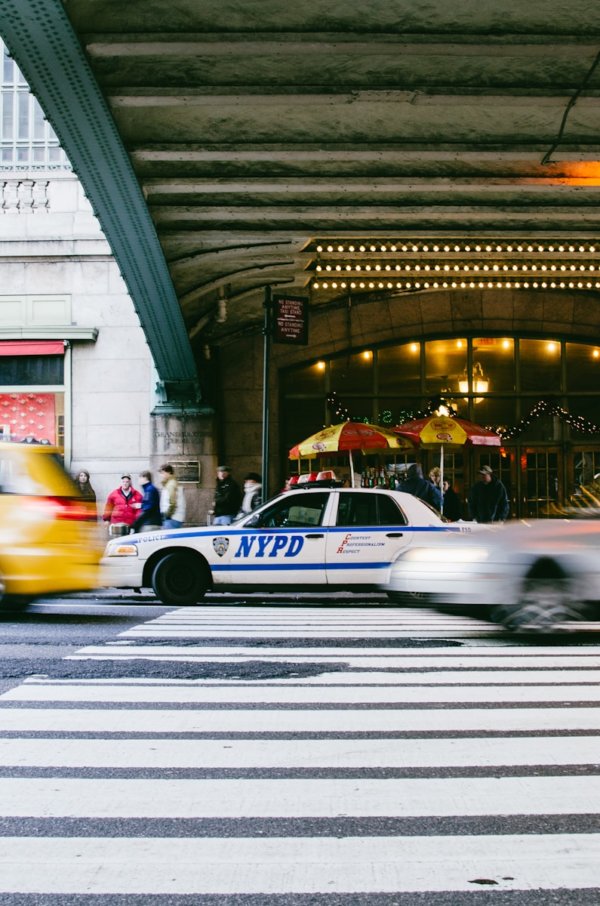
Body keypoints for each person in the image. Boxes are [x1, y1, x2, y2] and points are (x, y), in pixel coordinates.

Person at [159, 463, 186, 528]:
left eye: (162, 473)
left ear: (168, 472)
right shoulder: (171, 483)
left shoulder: (171, 484)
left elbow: (173, 502)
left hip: (172, 518)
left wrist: (167, 515)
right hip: (175, 518)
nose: (161, 475)